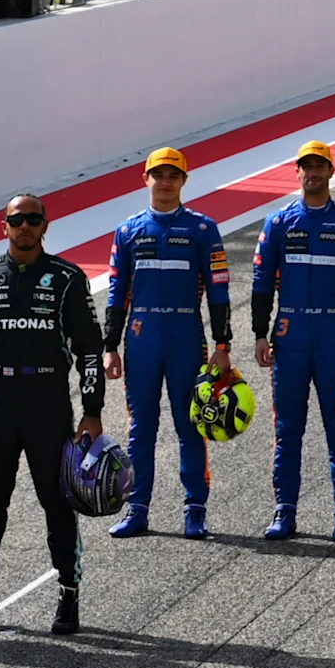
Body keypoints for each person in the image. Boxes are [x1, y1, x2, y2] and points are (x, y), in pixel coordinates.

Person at [0, 194, 103, 634]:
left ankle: (68, 593)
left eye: (33, 220)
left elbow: (89, 349)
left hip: (48, 401)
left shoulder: (67, 279)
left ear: (45, 226)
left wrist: (92, 412)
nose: (25, 227)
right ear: (4, 226)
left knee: (58, 503)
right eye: (17, 220)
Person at [249, 141, 335, 541]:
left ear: (331, 171)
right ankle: (284, 511)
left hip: (334, 338)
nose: (313, 173)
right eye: (306, 167)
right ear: (298, 172)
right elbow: (260, 284)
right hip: (289, 338)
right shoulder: (278, 223)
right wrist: (259, 334)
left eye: (319, 166)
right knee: (287, 429)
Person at [104, 147, 235, 535]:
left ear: (184, 181)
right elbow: (116, 293)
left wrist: (222, 345)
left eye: (173, 175)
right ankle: (137, 508)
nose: (165, 181)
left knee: (190, 424)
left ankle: (195, 508)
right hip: (142, 338)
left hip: (186, 338)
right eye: (158, 174)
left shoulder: (202, 228)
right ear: (146, 178)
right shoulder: (128, 230)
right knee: (140, 427)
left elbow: (219, 292)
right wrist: (110, 346)